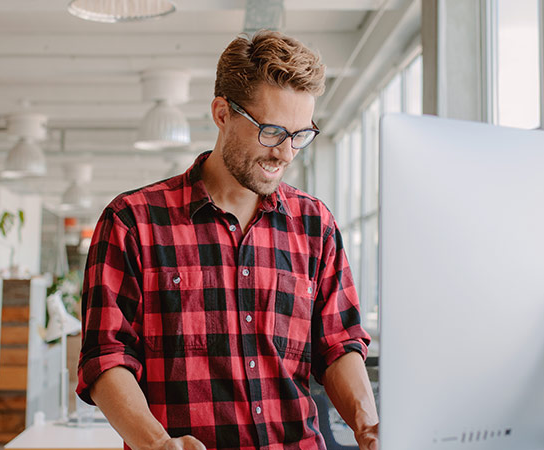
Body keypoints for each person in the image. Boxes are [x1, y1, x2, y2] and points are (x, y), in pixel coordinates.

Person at [76, 30, 378, 450]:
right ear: (222, 113)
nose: (286, 153)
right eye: (272, 132)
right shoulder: (133, 223)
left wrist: (368, 426)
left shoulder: (315, 225)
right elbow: (105, 358)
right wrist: (157, 444)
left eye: (300, 135)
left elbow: (338, 343)